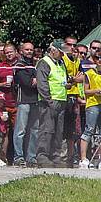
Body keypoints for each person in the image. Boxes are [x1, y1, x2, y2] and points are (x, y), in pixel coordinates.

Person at [35, 40, 70, 168]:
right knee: (46, 130)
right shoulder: (44, 63)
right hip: (49, 102)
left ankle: (56, 156)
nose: (63, 55)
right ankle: (42, 157)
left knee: (58, 132)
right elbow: (42, 83)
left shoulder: (61, 63)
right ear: (53, 50)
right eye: (61, 53)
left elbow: (61, 79)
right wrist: (49, 100)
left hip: (61, 100)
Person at [79, 49, 101, 169]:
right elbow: (86, 90)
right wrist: (96, 90)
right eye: (97, 58)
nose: (100, 60)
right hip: (93, 103)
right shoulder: (89, 73)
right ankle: (83, 158)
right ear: (94, 60)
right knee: (89, 130)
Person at [12, 42, 40, 167]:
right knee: (20, 131)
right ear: (21, 51)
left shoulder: (35, 65)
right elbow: (27, 82)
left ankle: (31, 157)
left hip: (35, 101)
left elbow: (39, 80)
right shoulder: (19, 65)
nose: (29, 51)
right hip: (23, 101)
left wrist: (36, 80)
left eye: (31, 50)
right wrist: (35, 80)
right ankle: (18, 157)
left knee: (34, 131)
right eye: (27, 49)